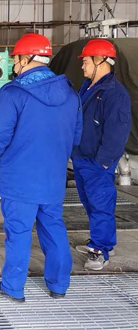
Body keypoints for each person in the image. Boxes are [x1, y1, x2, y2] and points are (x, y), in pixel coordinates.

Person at [0, 33, 82, 302]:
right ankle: (59, 286)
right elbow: (76, 137)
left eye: (16, 59)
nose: (15, 64)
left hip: (19, 177)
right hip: (53, 177)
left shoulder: (14, 93)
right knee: (54, 228)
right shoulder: (71, 94)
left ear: (25, 58)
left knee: (19, 232)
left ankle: (13, 288)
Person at [72, 40, 131, 271]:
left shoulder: (115, 94)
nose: (82, 67)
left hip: (97, 162)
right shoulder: (88, 87)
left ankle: (100, 250)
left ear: (100, 61)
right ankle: (105, 242)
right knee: (91, 203)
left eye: (86, 62)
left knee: (100, 206)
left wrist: (104, 162)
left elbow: (117, 133)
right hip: (82, 157)